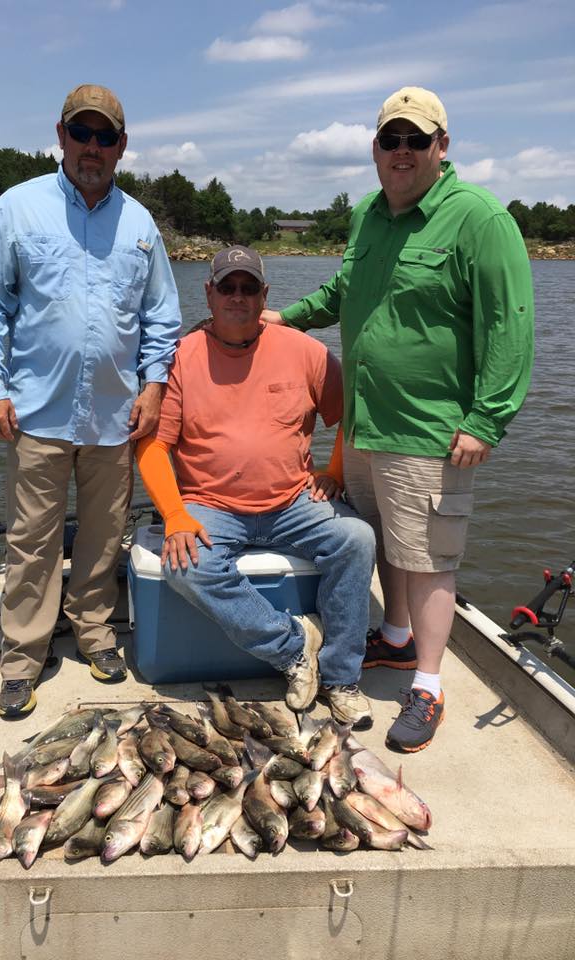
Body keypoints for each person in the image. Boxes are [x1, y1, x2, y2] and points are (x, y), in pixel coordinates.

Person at [262, 87, 534, 751]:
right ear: (376, 150)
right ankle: (397, 638)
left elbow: (512, 324)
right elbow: (342, 291)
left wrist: (486, 419)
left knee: (433, 559)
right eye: (392, 140)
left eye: (418, 140)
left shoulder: (479, 219)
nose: (403, 152)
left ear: (443, 146)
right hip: (364, 425)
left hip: (432, 431)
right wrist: (286, 318)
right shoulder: (367, 215)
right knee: (385, 541)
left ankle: (429, 686)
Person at [0, 84, 181, 718]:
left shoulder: (139, 224)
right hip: (36, 411)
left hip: (116, 414)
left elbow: (162, 316)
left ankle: (95, 632)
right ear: (60, 136)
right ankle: (23, 655)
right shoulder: (15, 208)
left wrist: (156, 386)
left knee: (105, 534)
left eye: (105, 136)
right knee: (31, 538)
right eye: (81, 133)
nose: (92, 147)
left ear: (121, 146)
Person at [136, 246, 376, 725]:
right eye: (227, 287)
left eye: (249, 288)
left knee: (357, 539)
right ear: (209, 294)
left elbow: (353, 415)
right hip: (210, 503)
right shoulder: (181, 357)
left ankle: (342, 678)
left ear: (265, 295)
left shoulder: (304, 350)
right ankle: (292, 649)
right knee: (187, 566)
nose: (238, 297)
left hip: (293, 500)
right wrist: (176, 515)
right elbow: (152, 446)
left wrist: (335, 473)